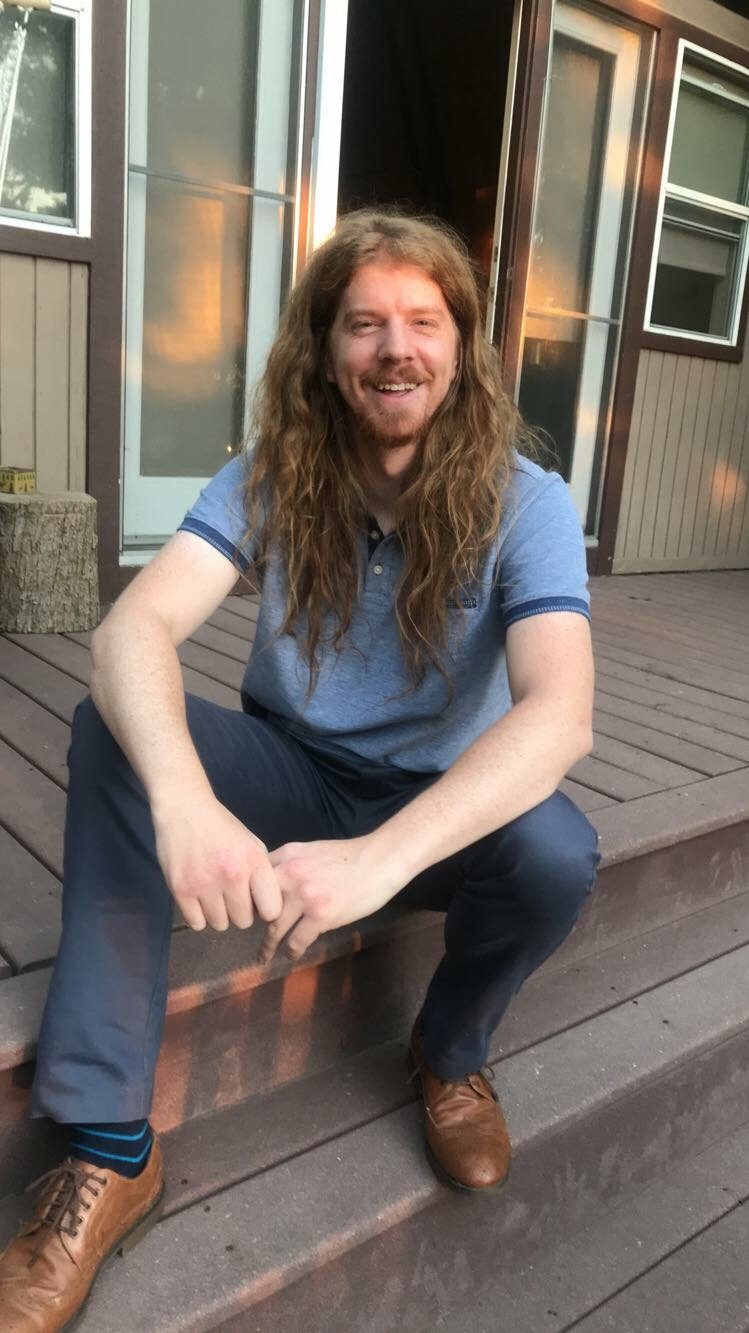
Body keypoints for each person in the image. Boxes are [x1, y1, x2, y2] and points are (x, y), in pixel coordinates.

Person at [0, 210, 599, 1331]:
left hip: (431, 809)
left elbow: (560, 714)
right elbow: (133, 631)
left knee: (556, 847)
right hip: (289, 768)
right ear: (322, 349)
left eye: (423, 321)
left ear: (461, 344)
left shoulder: (528, 502)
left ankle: (449, 1051)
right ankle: (109, 1148)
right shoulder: (273, 473)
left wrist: (377, 861)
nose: (395, 348)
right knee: (110, 726)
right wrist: (184, 803)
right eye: (364, 323)